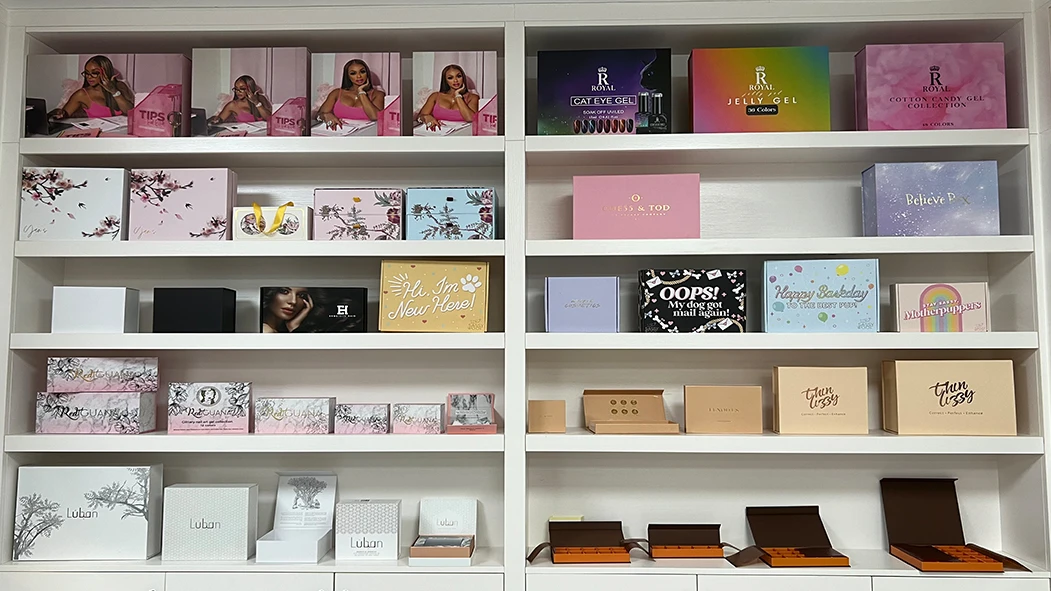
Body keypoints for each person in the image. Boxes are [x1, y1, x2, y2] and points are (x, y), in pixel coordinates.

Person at [50, 55, 135, 120]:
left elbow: (131, 112)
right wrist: (58, 113)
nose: (89, 77)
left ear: (106, 72)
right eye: (87, 73)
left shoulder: (120, 86)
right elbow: (62, 115)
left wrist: (114, 91)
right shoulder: (81, 94)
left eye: (94, 73)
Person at [317, 59, 386, 130]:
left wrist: (361, 92)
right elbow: (319, 115)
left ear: (367, 74)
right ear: (348, 76)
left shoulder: (378, 94)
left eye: (362, 72)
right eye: (353, 73)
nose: (359, 76)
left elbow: (375, 117)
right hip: (339, 133)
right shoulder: (336, 93)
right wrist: (325, 116)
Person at [418, 64, 478, 131]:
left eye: (458, 76)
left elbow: (470, 119)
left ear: (463, 78)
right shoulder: (435, 96)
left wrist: (458, 96)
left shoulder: (472, 97)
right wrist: (426, 117)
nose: (455, 80)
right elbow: (420, 116)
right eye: (450, 78)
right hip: (439, 133)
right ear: (445, 80)